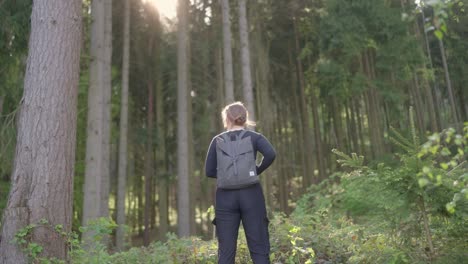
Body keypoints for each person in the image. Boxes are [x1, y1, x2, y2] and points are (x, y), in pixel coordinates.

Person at [205, 101, 276, 264]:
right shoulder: (255, 137)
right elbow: (271, 154)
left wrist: (227, 176)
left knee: (226, 252)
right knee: (259, 248)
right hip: (252, 194)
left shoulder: (217, 140)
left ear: (227, 119)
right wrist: (255, 170)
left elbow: (208, 171)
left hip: (225, 198)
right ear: (245, 118)